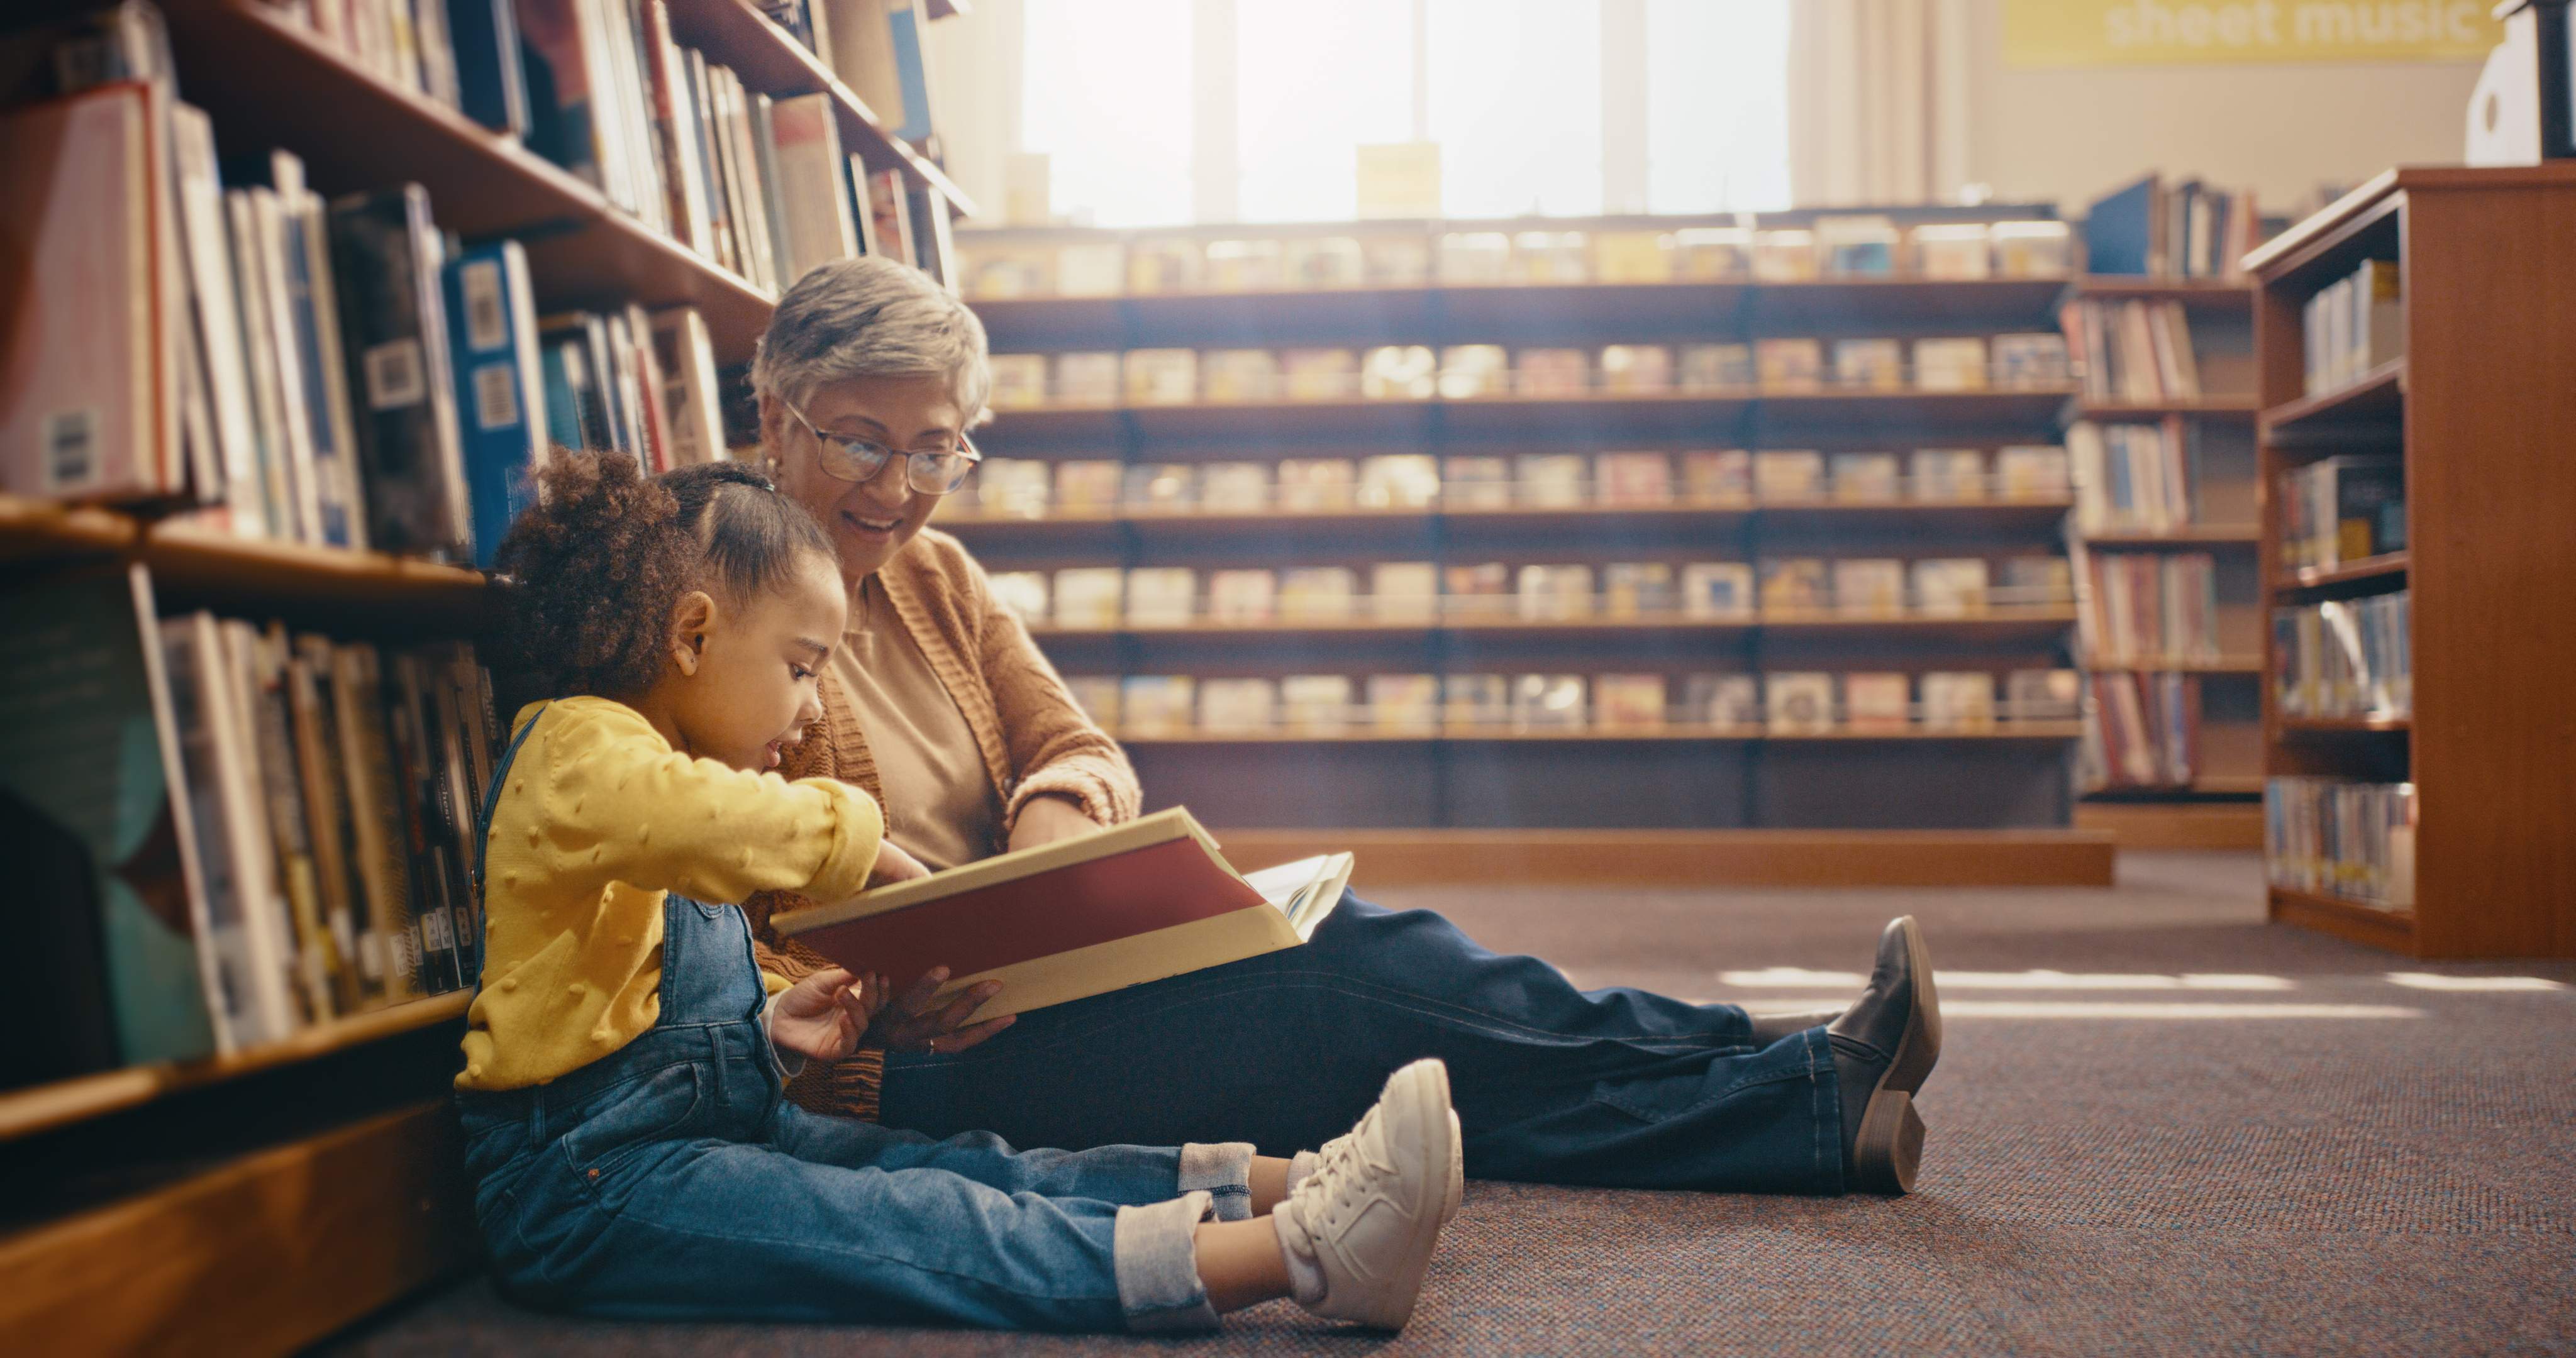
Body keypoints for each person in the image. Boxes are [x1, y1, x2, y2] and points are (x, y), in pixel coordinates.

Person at [741, 257, 1944, 1198]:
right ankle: (1768, 1071)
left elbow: (1076, 748)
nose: (898, 487)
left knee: (1353, 998)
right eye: (861, 441)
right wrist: (885, 1005)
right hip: (912, 1063)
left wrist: (1033, 876)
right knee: (1338, 983)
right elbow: (712, 889)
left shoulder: (936, 573)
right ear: (775, 413)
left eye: (937, 448)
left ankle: (1791, 1093)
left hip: (1054, 977)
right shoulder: (714, 601)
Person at [452, 451, 1467, 1333]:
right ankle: (1301, 1258)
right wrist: (869, 845)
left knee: (959, 1166)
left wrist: (765, 1022)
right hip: (586, 1185)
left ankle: (1285, 1182)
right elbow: (706, 824)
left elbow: (628, 993)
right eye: (802, 670)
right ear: (690, 637)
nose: (809, 715)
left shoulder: (667, 764)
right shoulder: (580, 747)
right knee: (920, 1225)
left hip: (706, 1128)